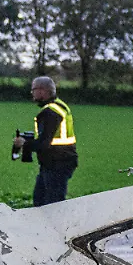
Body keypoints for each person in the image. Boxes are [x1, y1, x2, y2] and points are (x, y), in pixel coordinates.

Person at [13, 76, 77, 206]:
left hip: (57, 164)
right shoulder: (59, 106)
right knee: (42, 200)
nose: (32, 93)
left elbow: (44, 143)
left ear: (42, 91)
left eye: (34, 90)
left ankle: (57, 226)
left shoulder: (50, 112)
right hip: (59, 161)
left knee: (51, 203)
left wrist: (23, 143)